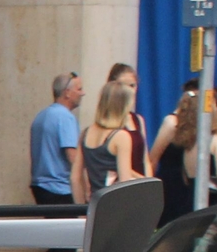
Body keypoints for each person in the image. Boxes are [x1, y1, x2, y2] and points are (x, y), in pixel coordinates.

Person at [20, 71, 87, 252]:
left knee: (60, 243)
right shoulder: (65, 118)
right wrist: (85, 185)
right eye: (79, 88)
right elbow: (72, 155)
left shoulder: (42, 116)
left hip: (41, 184)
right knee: (66, 246)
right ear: (67, 92)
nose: (83, 93)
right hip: (59, 187)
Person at [82, 77, 145, 193]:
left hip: (93, 204)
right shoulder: (121, 137)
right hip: (113, 206)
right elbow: (125, 181)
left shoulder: (85, 133)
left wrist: (81, 209)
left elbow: (75, 178)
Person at [153, 80, 199, 219]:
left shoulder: (198, 125)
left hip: (186, 184)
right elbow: (153, 158)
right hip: (169, 182)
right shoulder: (171, 123)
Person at [106, 62, 149, 174]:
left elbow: (145, 159)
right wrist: (142, 180)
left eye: (133, 85)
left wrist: (150, 183)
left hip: (140, 183)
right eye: (124, 86)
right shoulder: (108, 121)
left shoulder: (138, 120)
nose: (130, 91)